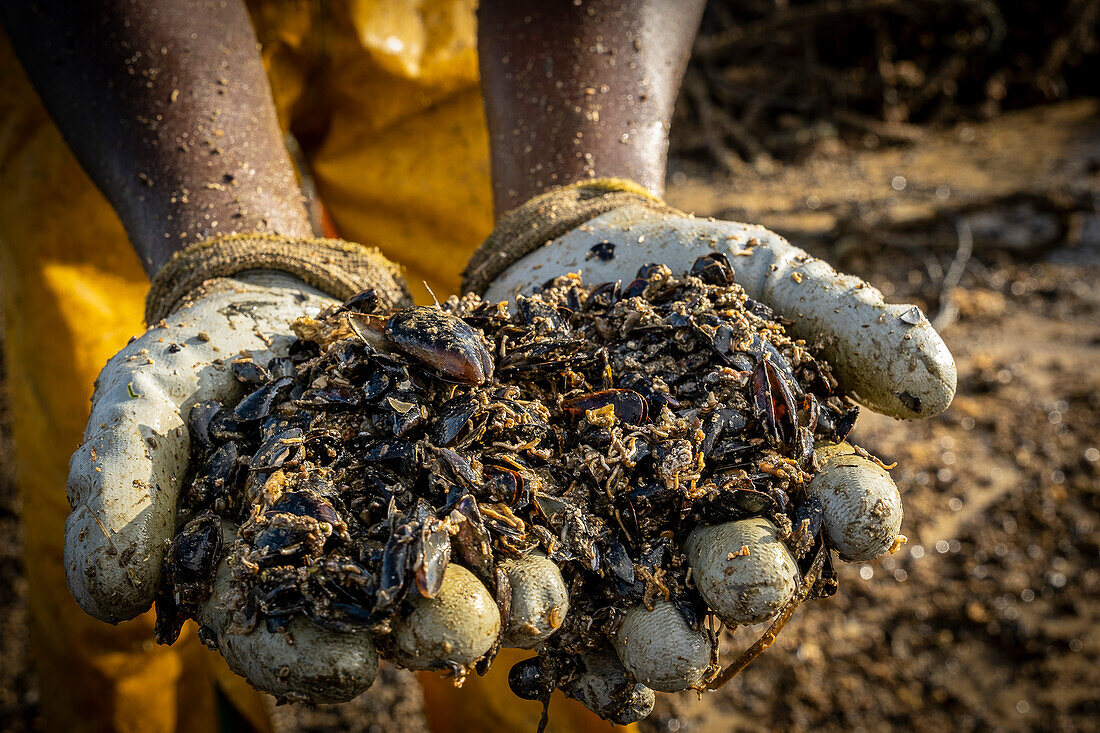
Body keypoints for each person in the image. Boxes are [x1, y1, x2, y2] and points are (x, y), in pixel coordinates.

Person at [0, 1, 955, 732]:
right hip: (116, 54)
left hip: (475, 36)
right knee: (129, 520)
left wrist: (578, 202)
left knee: (580, 615)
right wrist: (224, 249)